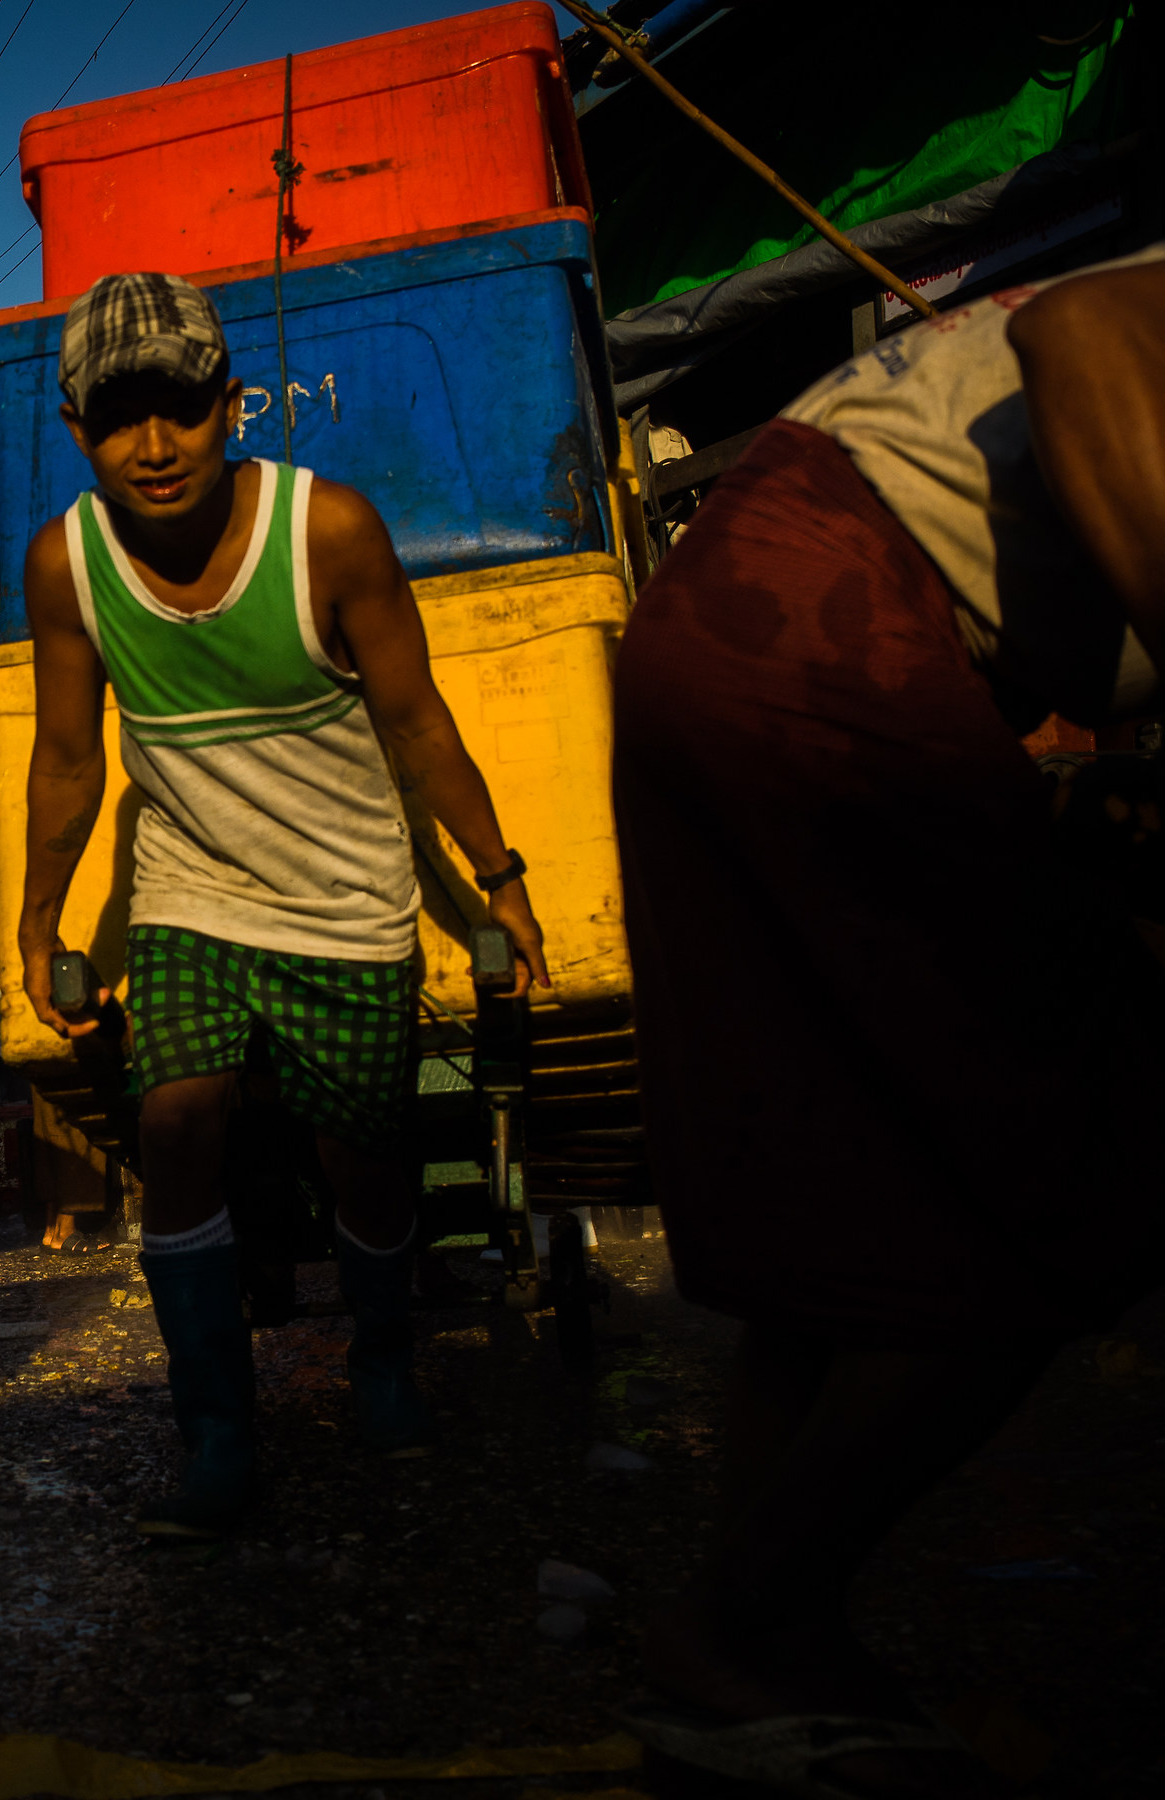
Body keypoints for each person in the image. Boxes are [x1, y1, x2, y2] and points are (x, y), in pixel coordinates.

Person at [611, 246, 1165, 1799]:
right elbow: (1085, 330)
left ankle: (749, 1656)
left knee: (848, 1206)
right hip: (826, 619)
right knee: (1079, 1165)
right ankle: (748, 1624)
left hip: (739, 618)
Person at [16, 273, 548, 1539]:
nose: (156, 445)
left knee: (362, 1157)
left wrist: (501, 876)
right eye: (120, 417)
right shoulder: (67, 564)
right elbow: (70, 760)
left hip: (344, 898)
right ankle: (216, 1430)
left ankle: (382, 1356)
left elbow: (418, 724)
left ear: (232, 403)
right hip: (189, 894)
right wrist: (35, 924)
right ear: (78, 430)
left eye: (182, 408)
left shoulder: (329, 532)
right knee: (175, 1123)